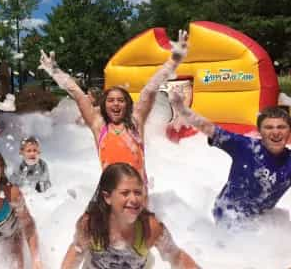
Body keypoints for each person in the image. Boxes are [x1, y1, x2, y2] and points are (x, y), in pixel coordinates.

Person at [39, 30, 189, 179]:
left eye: (120, 100)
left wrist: (174, 60)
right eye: (111, 100)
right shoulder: (98, 125)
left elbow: (151, 88)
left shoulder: (136, 121)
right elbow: (77, 94)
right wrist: (54, 71)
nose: (116, 104)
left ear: (128, 105)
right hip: (109, 196)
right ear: (104, 105)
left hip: (136, 196)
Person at [169, 89, 291, 224]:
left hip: (259, 220)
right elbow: (208, 128)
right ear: (260, 132)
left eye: (281, 127)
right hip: (228, 215)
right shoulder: (246, 147)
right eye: (269, 127)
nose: (276, 132)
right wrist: (181, 108)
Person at [61, 163, 200, 269]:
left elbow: (176, 256)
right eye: (125, 193)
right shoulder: (91, 224)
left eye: (138, 192)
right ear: (107, 197)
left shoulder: (150, 229)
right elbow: (76, 251)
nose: (134, 199)